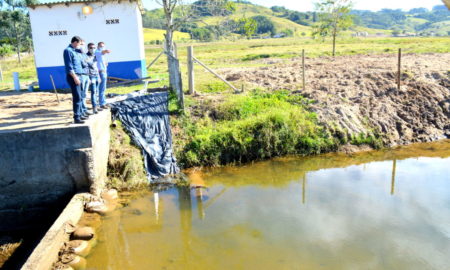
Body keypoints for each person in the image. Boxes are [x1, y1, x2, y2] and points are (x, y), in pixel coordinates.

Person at [63, 36, 86, 124]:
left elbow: (82, 63)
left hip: (79, 75)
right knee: (77, 97)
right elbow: (69, 66)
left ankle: (80, 114)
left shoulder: (76, 51)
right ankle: (76, 117)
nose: (80, 45)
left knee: (80, 96)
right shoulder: (68, 51)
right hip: (73, 77)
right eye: (80, 43)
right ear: (75, 42)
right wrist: (75, 77)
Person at [76, 39, 92, 117]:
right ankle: (82, 111)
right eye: (81, 44)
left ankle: (84, 109)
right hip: (81, 76)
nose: (82, 46)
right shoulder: (76, 54)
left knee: (85, 94)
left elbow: (89, 64)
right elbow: (83, 64)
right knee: (81, 94)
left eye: (83, 45)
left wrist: (88, 77)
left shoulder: (84, 54)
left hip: (86, 75)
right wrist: (86, 62)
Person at [86, 43, 101, 114]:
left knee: (97, 91)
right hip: (91, 76)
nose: (93, 49)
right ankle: (94, 107)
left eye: (94, 47)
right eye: (91, 47)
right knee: (93, 92)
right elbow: (86, 68)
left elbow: (96, 67)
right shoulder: (86, 56)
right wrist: (88, 78)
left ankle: (97, 106)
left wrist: (99, 76)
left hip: (96, 75)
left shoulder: (95, 56)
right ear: (88, 48)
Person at [95, 41, 111, 109]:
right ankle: (101, 103)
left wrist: (105, 64)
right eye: (101, 46)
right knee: (100, 89)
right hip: (100, 72)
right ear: (98, 46)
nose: (102, 47)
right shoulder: (97, 52)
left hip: (104, 71)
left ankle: (102, 102)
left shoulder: (102, 55)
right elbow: (103, 52)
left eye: (103, 46)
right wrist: (106, 50)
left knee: (103, 89)